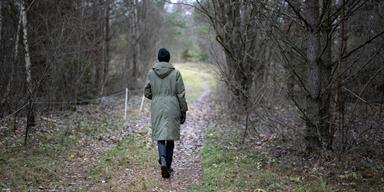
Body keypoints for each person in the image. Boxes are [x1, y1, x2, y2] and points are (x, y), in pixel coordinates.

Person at [144, 48, 188, 178]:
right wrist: (183, 110)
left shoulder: (151, 73)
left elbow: (147, 92)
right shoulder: (176, 73)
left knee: (160, 136)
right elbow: (181, 94)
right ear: (168, 59)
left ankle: (162, 159)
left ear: (158, 58)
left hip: (157, 107)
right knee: (170, 137)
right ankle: (167, 166)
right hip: (173, 107)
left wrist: (157, 97)